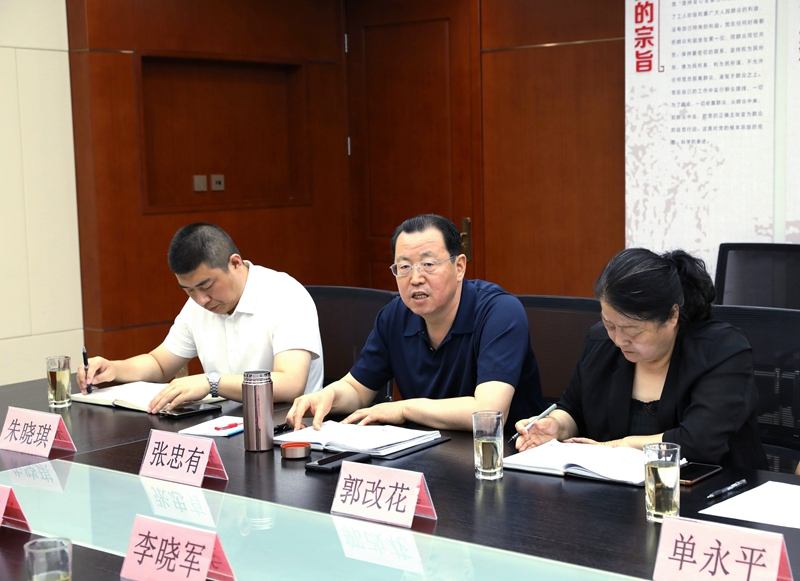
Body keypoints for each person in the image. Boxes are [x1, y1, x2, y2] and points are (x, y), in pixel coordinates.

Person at [286, 214, 543, 432]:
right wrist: (327, 395)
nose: (416, 278)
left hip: (501, 457)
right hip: (424, 454)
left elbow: (489, 413)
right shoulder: (394, 315)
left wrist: (402, 409)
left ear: (459, 267)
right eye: (404, 267)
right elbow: (357, 389)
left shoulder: (499, 312)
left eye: (428, 264)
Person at [514, 248, 768, 469]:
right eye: (609, 324)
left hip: (711, 491)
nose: (618, 340)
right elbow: (574, 408)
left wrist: (614, 447)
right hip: (616, 494)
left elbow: (698, 443)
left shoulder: (722, 350)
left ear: (672, 316)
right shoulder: (601, 342)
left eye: (632, 331)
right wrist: (556, 426)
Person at [78, 223, 323, 412]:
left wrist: (211, 382)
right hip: (226, 423)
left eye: (206, 286)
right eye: (189, 290)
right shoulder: (198, 305)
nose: (201, 300)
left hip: (287, 427)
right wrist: (114, 368)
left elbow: (290, 384)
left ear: (235, 263)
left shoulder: (285, 295)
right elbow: (160, 364)